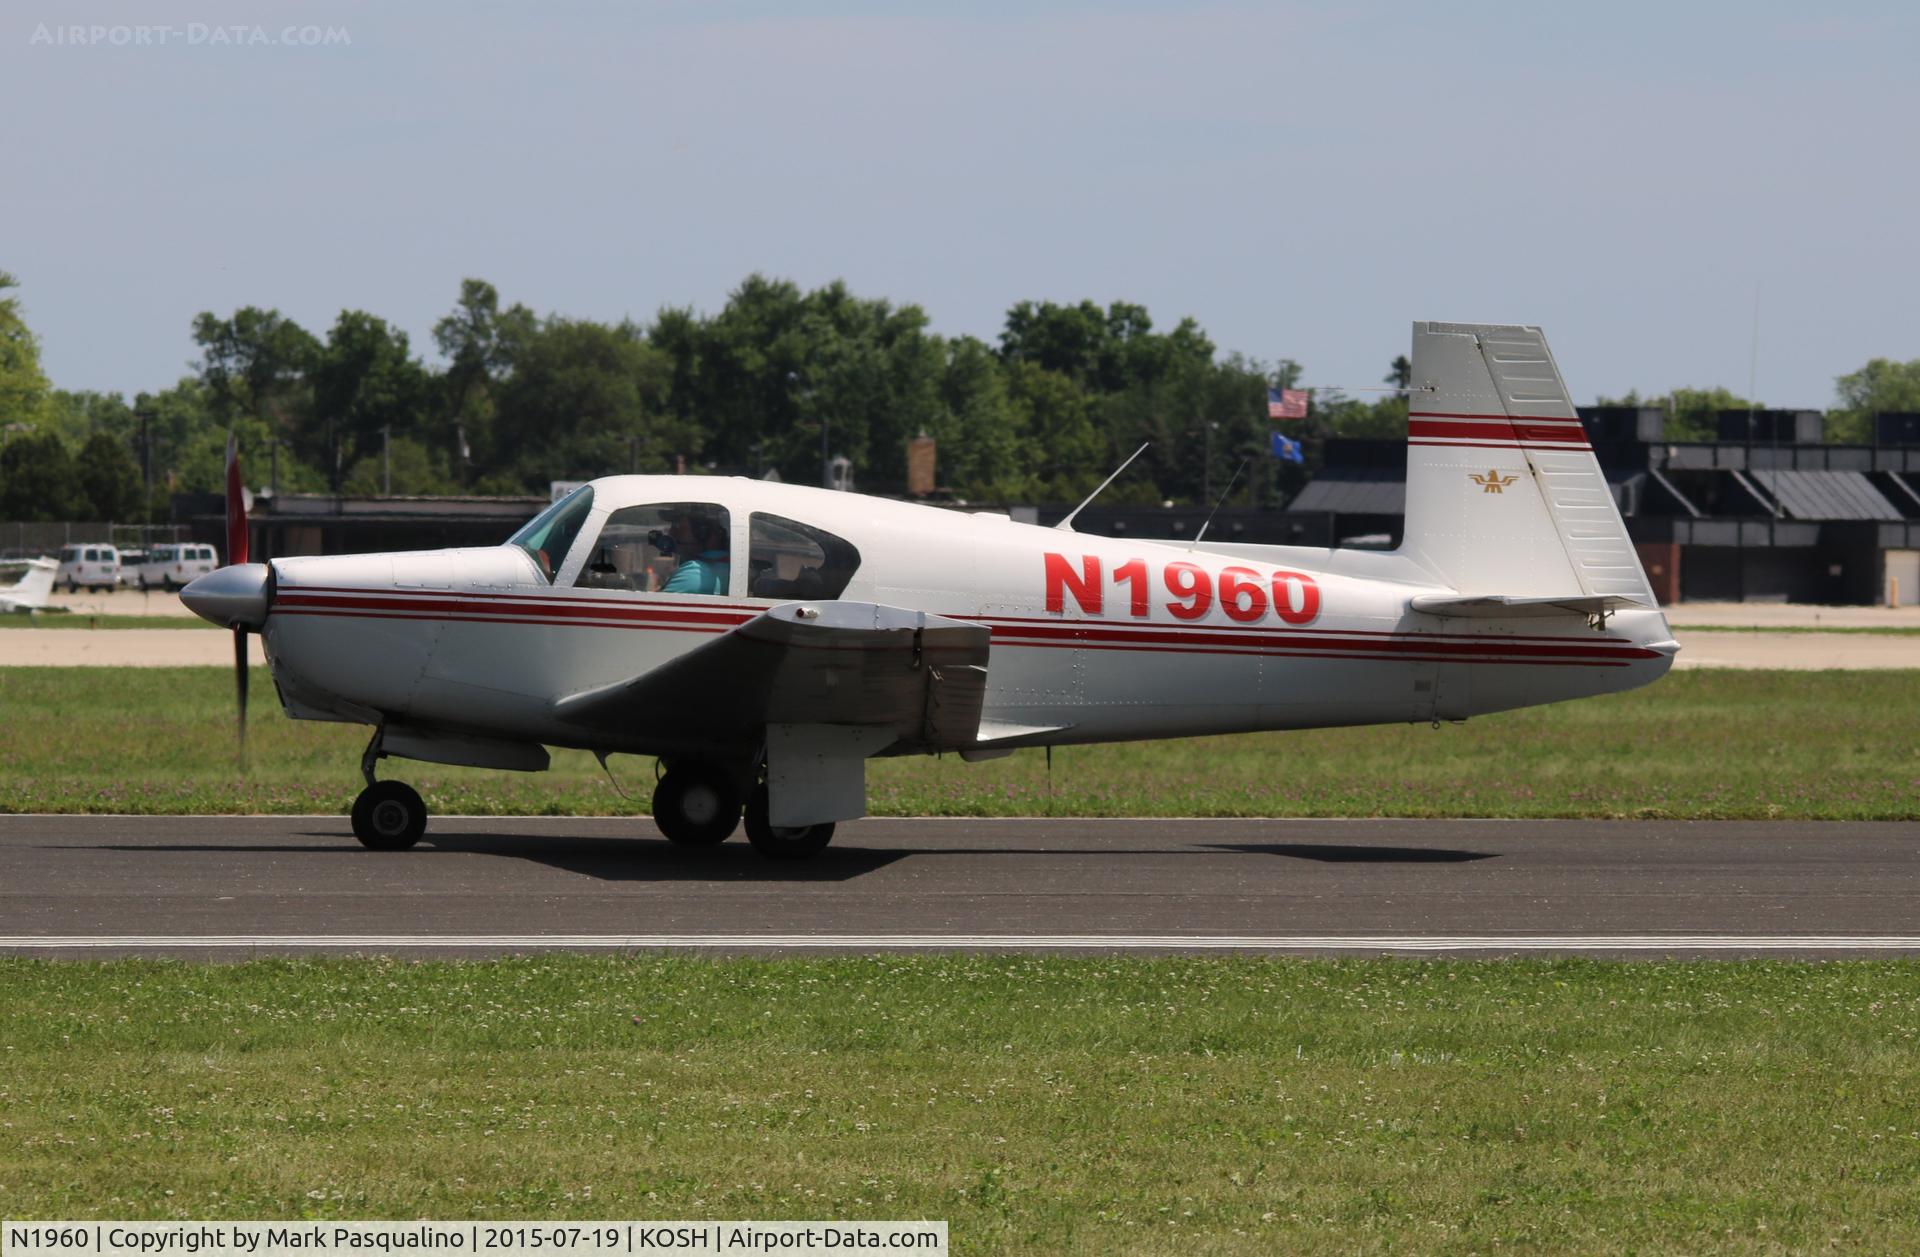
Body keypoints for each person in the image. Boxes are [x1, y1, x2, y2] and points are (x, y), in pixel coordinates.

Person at [661, 508, 730, 595]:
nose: (671, 533)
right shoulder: (726, 566)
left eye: (677, 526)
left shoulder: (694, 573)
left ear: (702, 533)